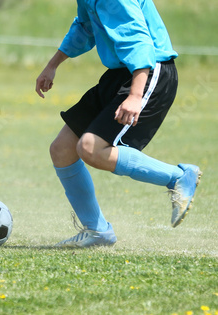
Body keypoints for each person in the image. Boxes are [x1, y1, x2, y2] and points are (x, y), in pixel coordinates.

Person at [35, 0, 202, 248]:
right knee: (62, 149)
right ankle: (98, 231)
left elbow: (138, 39)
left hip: (147, 72)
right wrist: (53, 64)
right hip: (120, 74)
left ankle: (179, 177)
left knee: (91, 148)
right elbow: (85, 27)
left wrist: (135, 95)